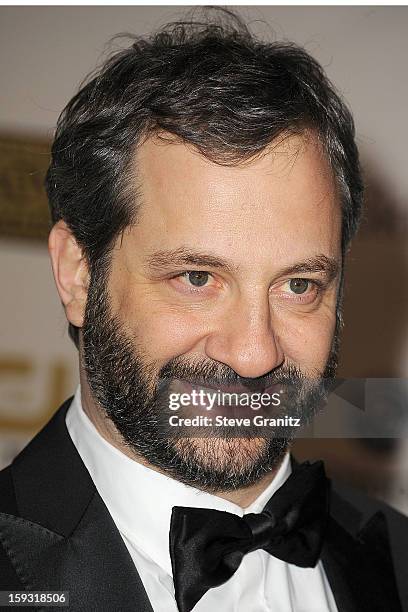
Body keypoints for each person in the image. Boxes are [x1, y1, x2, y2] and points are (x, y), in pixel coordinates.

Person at [0, 9, 407, 612]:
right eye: (197, 278)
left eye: (298, 285)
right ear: (78, 274)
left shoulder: (397, 557)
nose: (253, 354)